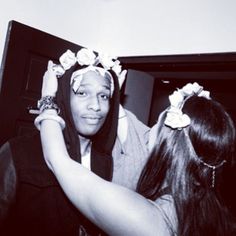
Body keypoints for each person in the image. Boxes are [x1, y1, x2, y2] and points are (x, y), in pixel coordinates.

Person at [39, 78, 236, 235]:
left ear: (168, 143)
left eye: (155, 125)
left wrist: (48, 98)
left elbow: (57, 160)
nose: (147, 130)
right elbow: (130, 126)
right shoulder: (211, 208)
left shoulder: (148, 219)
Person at [0, 48, 150, 236]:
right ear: (63, 97)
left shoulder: (110, 160)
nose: (95, 106)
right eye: (82, 93)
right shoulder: (18, 152)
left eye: (103, 96)